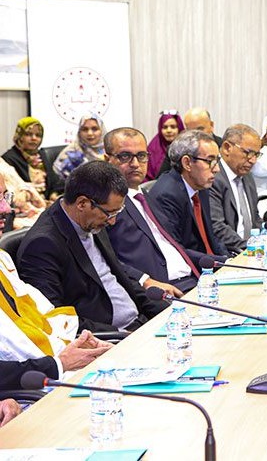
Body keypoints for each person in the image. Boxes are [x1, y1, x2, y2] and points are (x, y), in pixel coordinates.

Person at [17, 161, 169, 332]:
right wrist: (120, 335)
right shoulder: (42, 245)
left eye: (117, 212)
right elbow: (57, 319)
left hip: (138, 323)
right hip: (106, 336)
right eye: (110, 213)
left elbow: (121, 277)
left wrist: (167, 312)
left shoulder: (91, 219)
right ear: (82, 203)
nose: (112, 221)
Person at [104, 128, 204, 295]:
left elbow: (174, 248)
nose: (135, 164)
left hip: (193, 281)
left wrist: (225, 262)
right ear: (107, 160)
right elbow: (104, 259)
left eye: (141, 156)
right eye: (125, 156)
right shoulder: (104, 205)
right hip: (159, 291)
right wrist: (145, 280)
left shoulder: (147, 197)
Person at [1, 249, 112, 391]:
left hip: (63, 367)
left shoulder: (2, 259)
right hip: (35, 387)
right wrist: (58, 364)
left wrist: (77, 344)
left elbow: (46, 315)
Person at [148, 130, 228, 257]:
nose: (217, 169)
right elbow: (177, 250)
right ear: (187, 163)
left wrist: (228, 260)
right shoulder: (166, 195)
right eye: (210, 161)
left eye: (217, 161)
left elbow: (210, 237)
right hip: (193, 266)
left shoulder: (200, 186)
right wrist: (219, 262)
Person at [209, 124, 263, 254]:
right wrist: (249, 247)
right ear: (227, 148)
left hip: (251, 251)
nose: (253, 160)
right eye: (248, 153)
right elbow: (216, 227)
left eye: (256, 154)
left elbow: (255, 218)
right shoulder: (212, 178)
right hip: (229, 252)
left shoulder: (247, 176)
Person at [2, 117, 64, 201]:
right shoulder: (9, 158)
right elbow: (14, 190)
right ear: (19, 136)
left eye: (38, 135)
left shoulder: (41, 155)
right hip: (26, 204)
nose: (34, 138)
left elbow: (54, 181)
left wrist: (54, 194)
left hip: (47, 202)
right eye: (28, 134)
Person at [52, 113, 106, 180]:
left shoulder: (109, 150)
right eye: (85, 129)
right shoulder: (71, 152)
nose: (90, 133)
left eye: (94, 129)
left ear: (102, 131)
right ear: (79, 132)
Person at [145, 110, 184, 181]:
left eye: (173, 127)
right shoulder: (152, 148)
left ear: (179, 128)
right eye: (165, 127)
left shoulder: (186, 147)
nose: (169, 130)